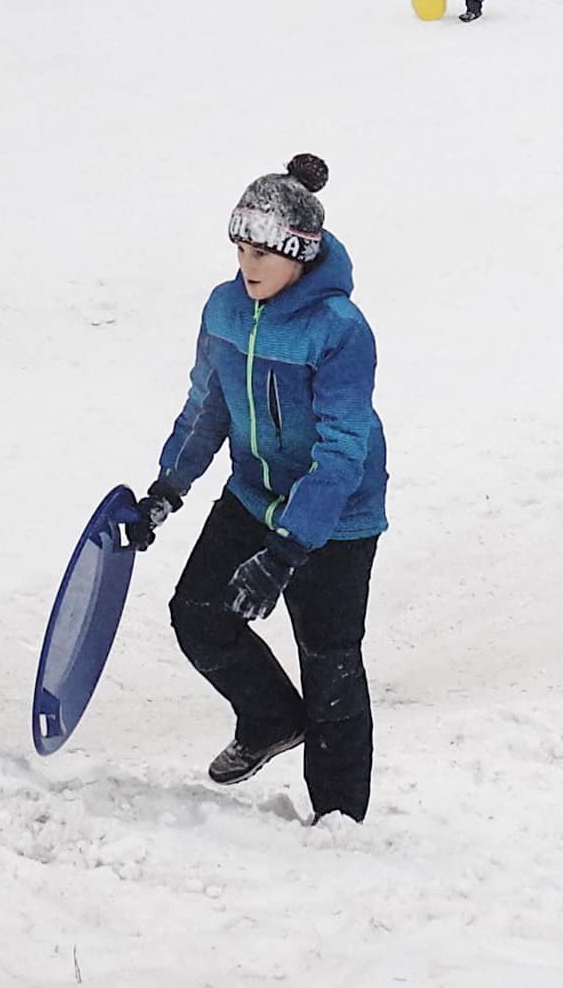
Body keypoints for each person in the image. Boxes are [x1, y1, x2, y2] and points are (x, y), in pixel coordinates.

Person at [125, 154, 389, 823]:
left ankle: (339, 820)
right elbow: (207, 407)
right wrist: (168, 487)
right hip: (253, 494)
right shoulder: (225, 309)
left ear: (300, 255)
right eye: (240, 250)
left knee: (328, 661)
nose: (248, 266)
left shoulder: (339, 331)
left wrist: (285, 553)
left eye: (262, 254)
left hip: (336, 517)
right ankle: (270, 717)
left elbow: (341, 452)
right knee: (198, 614)